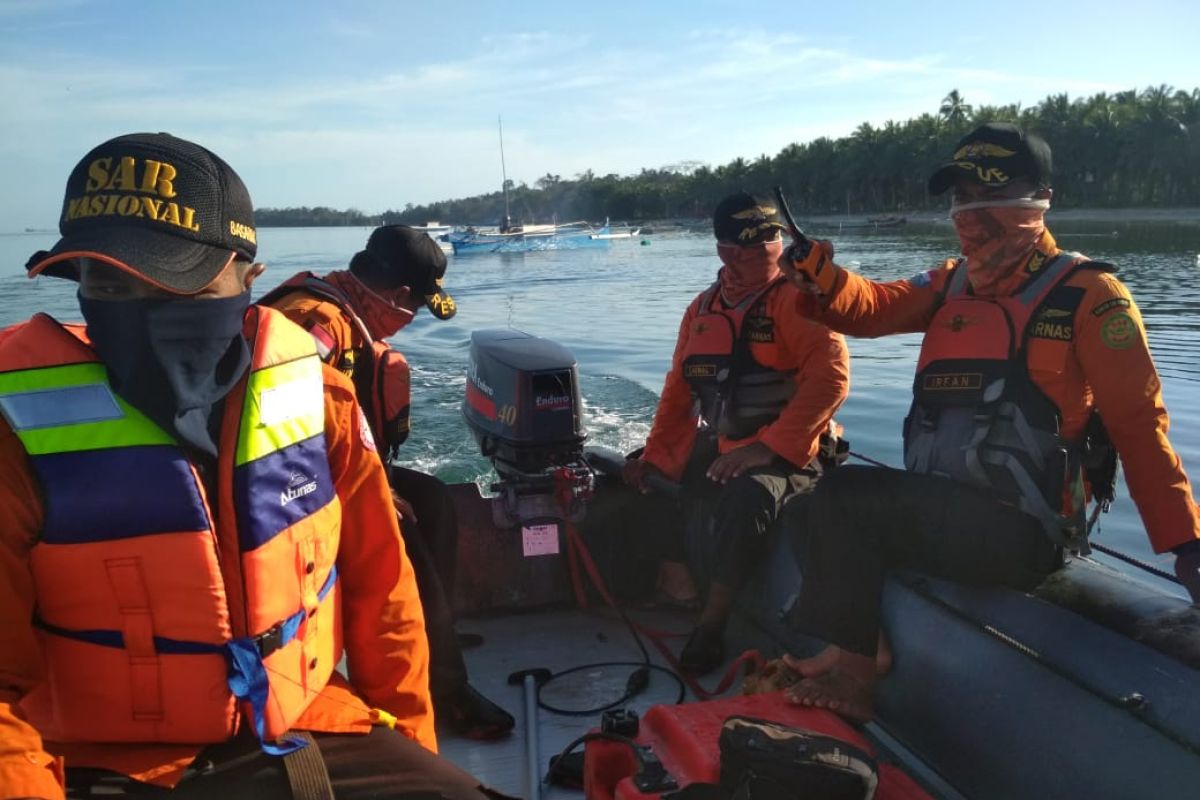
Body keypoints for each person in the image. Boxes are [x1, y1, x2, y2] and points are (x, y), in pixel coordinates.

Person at [0, 133, 496, 799]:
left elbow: (386, 603)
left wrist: (411, 748)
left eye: (174, 281)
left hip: (308, 722)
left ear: (249, 278)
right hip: (89, 753)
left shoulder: (322, 402)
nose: (141, 312)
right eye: (107, 283)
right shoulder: (15, 434)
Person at [778, 122, 1200, 722]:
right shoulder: (953, 282)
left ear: (1040, 199)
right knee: (804, 506)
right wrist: (820, 277)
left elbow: (1139, 424)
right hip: (948, 509)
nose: (973, 212)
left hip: (1021, 530)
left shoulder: (1092, 295)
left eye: (992, 194)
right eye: (963, 196)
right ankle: (857, 640)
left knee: (844, 496)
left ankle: (854, 673)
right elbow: (871, 308)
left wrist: (1187, 546)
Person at [258, 226, 514, 740]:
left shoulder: (350, 314)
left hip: (342, 471)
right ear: (397, 298)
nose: (412, 320)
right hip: (294, 489)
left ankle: (433, 631)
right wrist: (376, 495)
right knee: (404, 536)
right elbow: (277, 437)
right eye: (415, 308)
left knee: (436, 501)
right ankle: (445, 692)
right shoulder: (315, 325)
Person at [623, 191, 850, 675]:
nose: (750, 257)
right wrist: (655, 461)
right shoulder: (701, 310)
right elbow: (678, 394)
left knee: (748, 497)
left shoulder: (800, 299)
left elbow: (831, 379)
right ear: (721, 249)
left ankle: (712, 624)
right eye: (737, 249)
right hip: (727, 441)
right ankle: (675, 581)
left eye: (765, 244)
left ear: (781, 242)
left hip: (795, 448)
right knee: (647, 478)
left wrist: (767, 449)